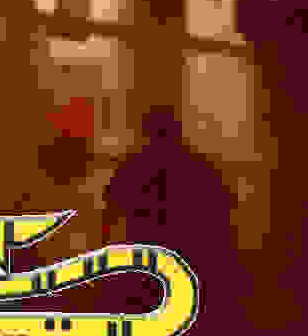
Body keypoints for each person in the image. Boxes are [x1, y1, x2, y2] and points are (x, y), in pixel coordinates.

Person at [103, 105, 241, 285]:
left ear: (146, 130)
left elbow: (113, 203)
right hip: (189, 247)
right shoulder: (198, 164)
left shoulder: (136, 164)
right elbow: (223, 206)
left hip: (147, 250)